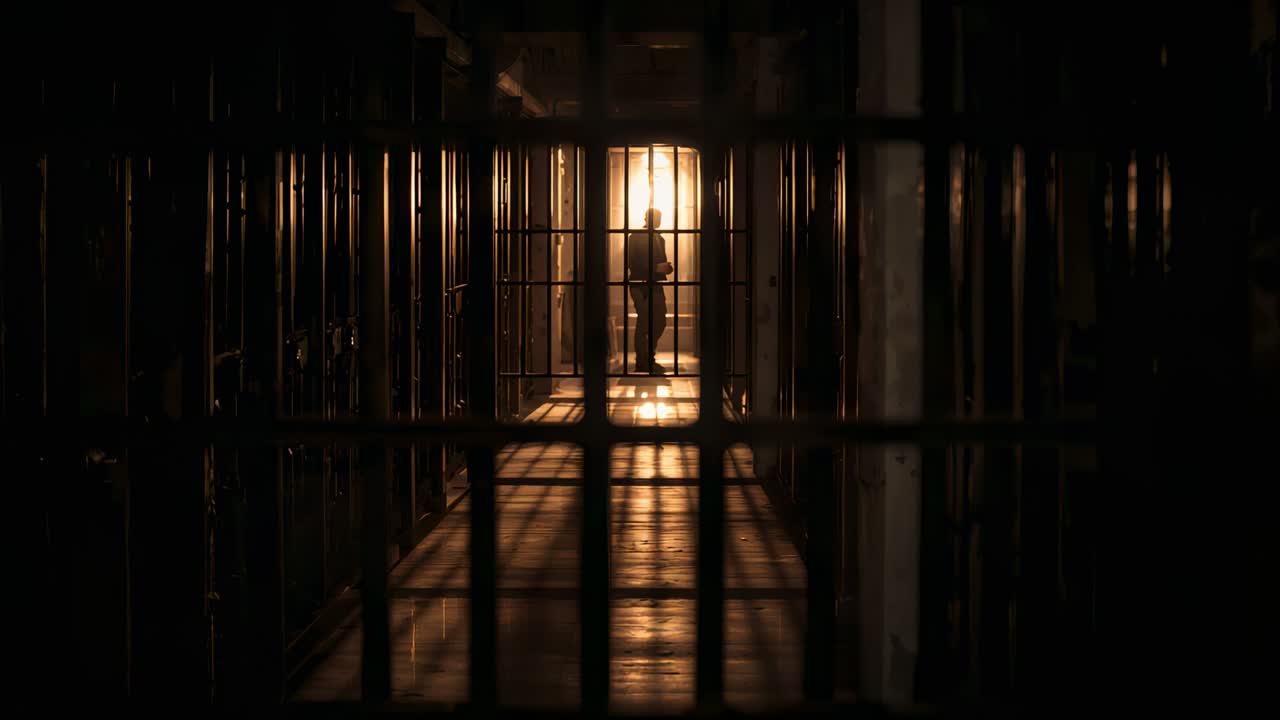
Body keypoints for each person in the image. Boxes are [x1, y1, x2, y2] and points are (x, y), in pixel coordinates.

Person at [626, 207, 674, 374]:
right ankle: (643, 360)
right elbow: (631, 263)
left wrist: (666, 268)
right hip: (641, 284)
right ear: (647, 218)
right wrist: (657, 268)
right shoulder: (636, 237)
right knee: (646, 321)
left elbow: (661, 261)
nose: (659, 220)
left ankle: (647, 357)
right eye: (656, 217)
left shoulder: (659, 238)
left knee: (659, 321)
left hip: (653, 283)